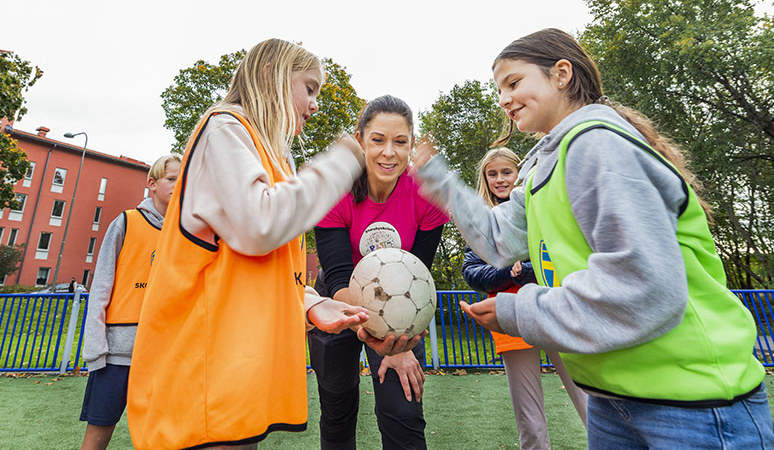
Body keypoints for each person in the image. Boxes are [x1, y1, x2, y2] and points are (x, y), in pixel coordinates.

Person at [413, 28, 774, 448]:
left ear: (561, 74)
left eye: (514, 82)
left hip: (689, 400)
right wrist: (438, 180)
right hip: (612, 398)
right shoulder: (540, 169)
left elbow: (645, 287)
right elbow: (497, 241)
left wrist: (520, 310)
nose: (503, 99)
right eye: (499, 89)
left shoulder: (597, 145)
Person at [126, 39, 381, 449]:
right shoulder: (225, 127)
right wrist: (342, 161)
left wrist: (311, 302)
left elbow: (253, 262)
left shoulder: (272, 154)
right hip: (202, 372)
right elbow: (258, 226)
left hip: (234, 375)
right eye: (310, 87)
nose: (315, 104)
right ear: (272, 77)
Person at [310, 94, 449, 450]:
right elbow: (340, 277)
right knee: (337, 407)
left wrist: (397, 343)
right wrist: (372, 331)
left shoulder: (428, 194)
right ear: (360, 141)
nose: (389, 152)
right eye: (378, 140)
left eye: (400, 142)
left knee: (403, 410)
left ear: (411, 145)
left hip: (399, 310)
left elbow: (417, 277)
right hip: (337, 302)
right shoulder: (335, 190)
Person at [462, 147, 586, 449]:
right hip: (511, 317)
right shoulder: (482, 221)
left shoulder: (540, 207)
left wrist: (525, 270)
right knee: (529, 416)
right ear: (485, 179)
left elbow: (558, 255)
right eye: (493, 174)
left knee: (588, 399)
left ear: (520, 173)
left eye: (507, 172)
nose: (500, 179)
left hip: (555, 308)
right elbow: (472, 271)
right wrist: (510, 275)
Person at [79, 154, 181, 450]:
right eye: (171, 179)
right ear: (152, 183)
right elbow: (101, 286)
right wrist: (96, 346)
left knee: (160, 439)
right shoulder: (126, 222)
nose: (178, 185)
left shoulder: (186, 234)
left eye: (182, 180)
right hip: (117, 354)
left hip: (163, 354)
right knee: (97, 438)